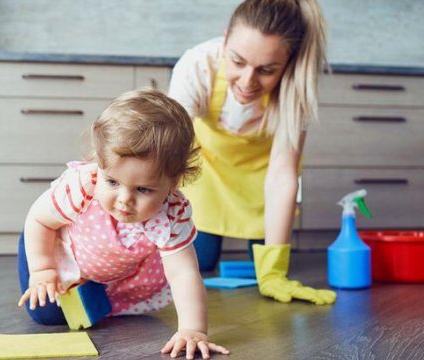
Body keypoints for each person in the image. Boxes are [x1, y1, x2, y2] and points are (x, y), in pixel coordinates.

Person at [17, 89, 230, 359]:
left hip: (112, 266)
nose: (124, 200)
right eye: (113, 182)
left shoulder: (172, 214)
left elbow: (184, 273)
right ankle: (73, 281)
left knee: (103, 311)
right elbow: (39, 220)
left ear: (173, 183)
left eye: (143, 189)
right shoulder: (83, 185)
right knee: (47, 315)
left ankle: (97, 287)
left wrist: (193, 329)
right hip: (53, 245)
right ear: (99, 163)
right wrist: (43, 270)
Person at [168, 0, 337, 305]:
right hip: (208, 171)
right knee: (199, 260)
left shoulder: (296, 87)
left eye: (266, 70)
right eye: (237, 61)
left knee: (265, 268)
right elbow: (167, 147)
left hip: (262, 179)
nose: (247, 81)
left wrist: (274, 272)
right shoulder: (197, 65)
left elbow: (283, 175)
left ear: (288, 63)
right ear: (225, 39)